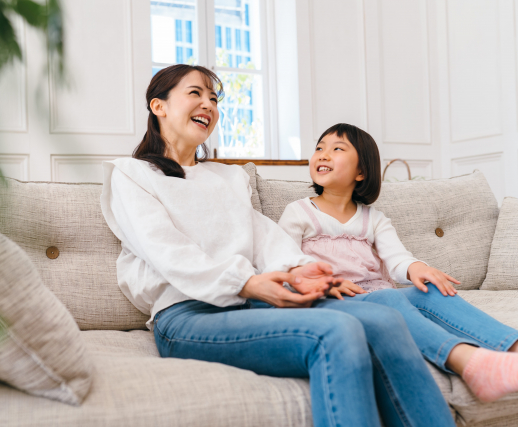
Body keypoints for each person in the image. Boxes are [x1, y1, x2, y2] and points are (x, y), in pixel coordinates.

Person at [100, 64, 456, 427]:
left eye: (213, 98)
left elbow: (264, 237)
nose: (208, 104)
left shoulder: (228, 177)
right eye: (195, 93)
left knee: (383, 318)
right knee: (337, 331)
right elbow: (169, 252)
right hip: (185, 316)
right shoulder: (131, 175)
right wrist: (247, 283)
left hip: (247, 305)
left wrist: (299, 268)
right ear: (158, 106)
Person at [278, 123, 518, 403]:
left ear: (361, 172)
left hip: (377, 294)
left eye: (337, 149)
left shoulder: (374, 219)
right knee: (390, 302)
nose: (323, 154)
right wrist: (318, 283)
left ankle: (511, 349)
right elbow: (283, 262)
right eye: (319, 148)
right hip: (332, 300)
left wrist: (418, 269)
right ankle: (470, 363)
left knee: (431, 290)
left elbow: (398, 259)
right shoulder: (299, 212)